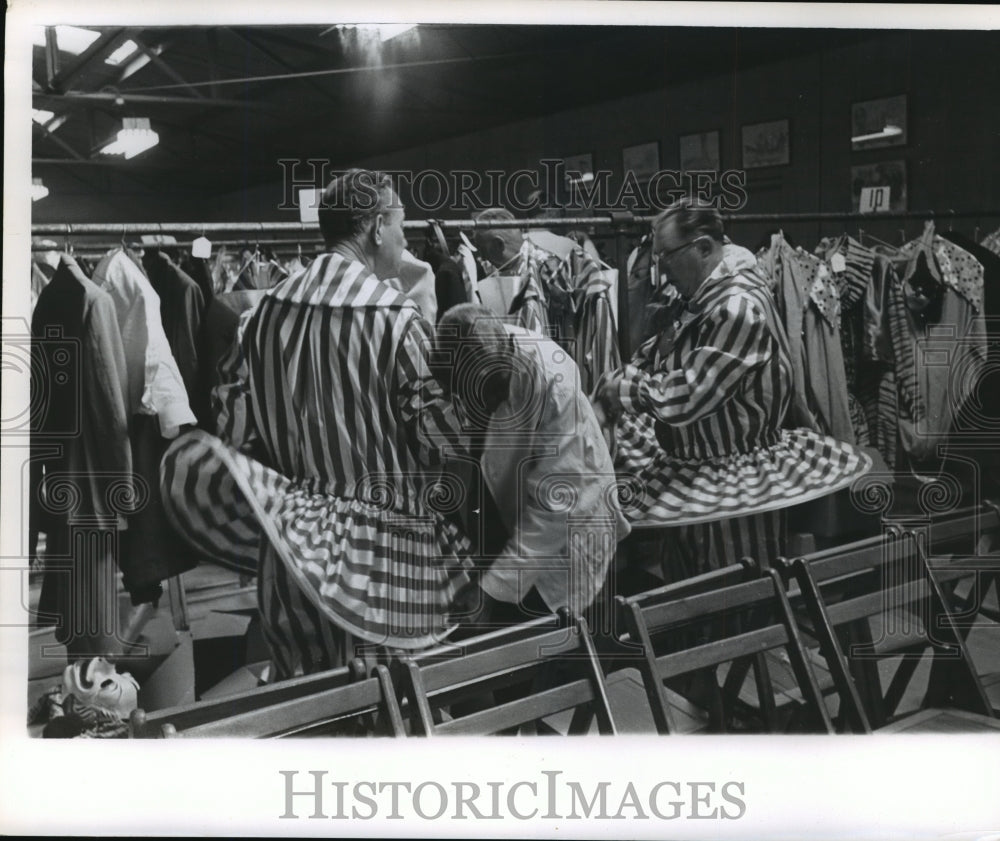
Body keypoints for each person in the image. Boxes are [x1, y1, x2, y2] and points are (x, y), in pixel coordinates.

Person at [161, 169, 475, 677]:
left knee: (315, 708)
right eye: (400, 224)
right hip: (385, 561)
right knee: (391, 709)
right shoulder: (395, 317)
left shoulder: (259, 317)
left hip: (292, 557)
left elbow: (236, 432)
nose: (404, 237)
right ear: (375, 227)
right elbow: (441, 440)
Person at [595, 199, 870, 580]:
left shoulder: (738, 305)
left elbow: (690, 393)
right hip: (696, 473)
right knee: (692, 587)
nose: (661, 271)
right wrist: (630, 374)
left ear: (704, 248)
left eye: (668, 257)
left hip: (733, 477)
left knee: (733, 588)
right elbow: (659, 351)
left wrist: (622, 389)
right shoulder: (700, 300)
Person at [435, 303, 630, 624]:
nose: (486, 403)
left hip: (569, 525)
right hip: (513, 511)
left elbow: (555, 504)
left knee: (571, 636)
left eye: (495, 389)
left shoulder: (553, 382)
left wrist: (489, 590)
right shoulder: (465, 357)